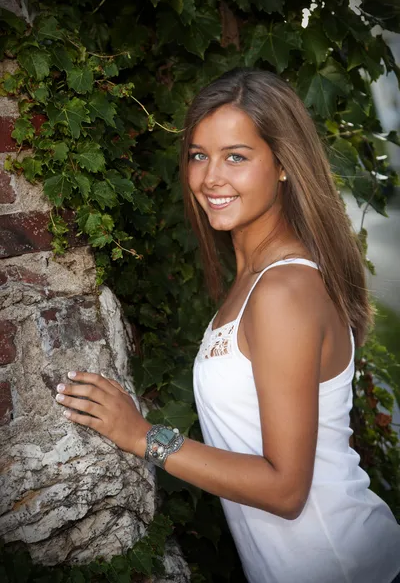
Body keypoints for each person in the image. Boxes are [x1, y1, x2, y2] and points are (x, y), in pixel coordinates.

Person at [55, 68, 400, 583]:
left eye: (236, 156)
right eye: (199, 155)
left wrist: (142, 435)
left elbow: (286, 490)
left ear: (283, 165)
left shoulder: (283, 290)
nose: (210, 177)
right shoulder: (255, 279)